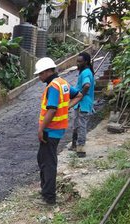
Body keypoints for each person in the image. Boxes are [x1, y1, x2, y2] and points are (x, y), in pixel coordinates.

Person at [34, 57, 82, 205]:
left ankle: (49, 197)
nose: (39, 76)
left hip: (51, 130)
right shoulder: (63, 83)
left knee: (48, 163)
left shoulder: (53, 87)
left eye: (41, 73)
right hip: (58, 128)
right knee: (43, 159)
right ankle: (45, 190)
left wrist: (41, 129)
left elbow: (52, 109)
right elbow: (79, 95)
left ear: (48, 71)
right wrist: (67, 107)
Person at [69, 52, 95, 157]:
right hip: (80, 104)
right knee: (76, 125)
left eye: (80, 62)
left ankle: (81, 148)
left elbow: (87, 85)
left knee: (81, 126)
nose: (77, 63)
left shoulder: (86, 73)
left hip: (83, 103)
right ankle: (74, 145)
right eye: (77, 61)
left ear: (86, 62)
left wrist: (80, 95)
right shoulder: (85, 72)